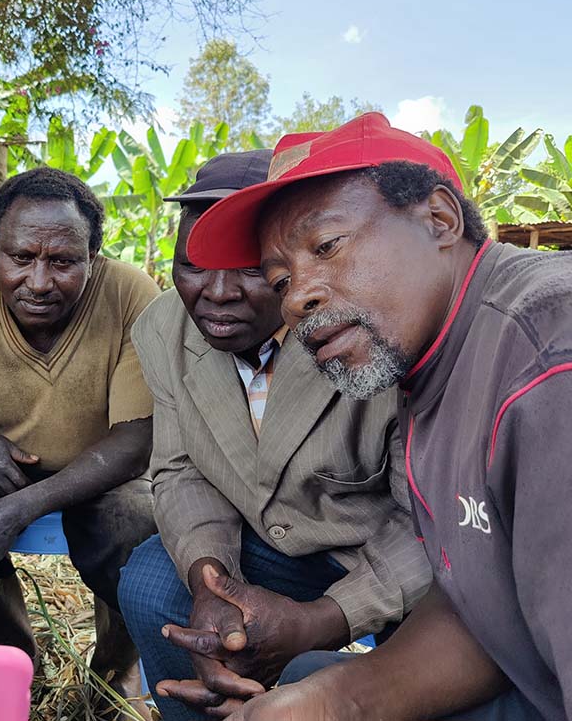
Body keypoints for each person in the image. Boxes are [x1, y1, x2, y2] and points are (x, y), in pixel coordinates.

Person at [184, 111, 572, 720]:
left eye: (326, 247)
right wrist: (335, 702)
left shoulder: (548, 362)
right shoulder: (431, 365)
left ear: (439, 219)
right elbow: (486, 602)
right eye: (281, 278)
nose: (297, 297)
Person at [118, 151, 430, 721]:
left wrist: (326, 618)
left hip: (377, 551)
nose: (215, 293)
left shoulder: (371, 331)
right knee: (147, 585)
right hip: (268, 545)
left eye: (248, 268)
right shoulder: (163, 329)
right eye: (192, 265)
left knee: (432, 644)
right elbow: (181, 467)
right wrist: (215, 584)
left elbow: (429, 523)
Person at [0, 166, 161, 717]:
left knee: (137, 543)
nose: (39, 282)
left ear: (94, 256)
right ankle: (19, 656)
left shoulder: (131, 294)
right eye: (20, 258)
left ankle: (111, 671)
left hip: (104, 467)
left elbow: (137, 439)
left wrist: (15, 510)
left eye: (64, 262)